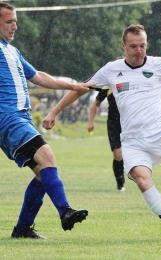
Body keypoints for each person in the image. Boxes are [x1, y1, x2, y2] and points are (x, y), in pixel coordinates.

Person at [43, 24, 161, 242]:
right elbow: (80, 89)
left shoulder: (159, 64)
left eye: (142, 45)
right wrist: (54, 112)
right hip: (132, 141)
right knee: (142, 180)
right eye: (133, 46)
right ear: (123, 45)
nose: (139, 51)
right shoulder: (110, 69)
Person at [0, 2, 95, 239]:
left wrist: (72, 85)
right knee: (48, 157)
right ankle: (65, 211)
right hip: (8, 119)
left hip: (20, 118)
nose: (15, 27)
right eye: (9, 21)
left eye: (16, 21)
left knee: (44, 174)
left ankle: (22, 229)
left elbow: (39, 76)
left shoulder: (12, 51)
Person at [88, 87, 125, 191]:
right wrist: (91, 121)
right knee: (118, 154)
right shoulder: (108, 85)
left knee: (130, 153)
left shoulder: (131, 81)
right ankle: (120, 183)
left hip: (129, 122)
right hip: (113, 123)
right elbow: (96, 103)